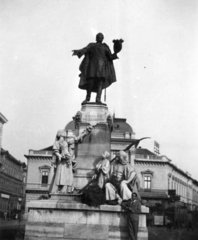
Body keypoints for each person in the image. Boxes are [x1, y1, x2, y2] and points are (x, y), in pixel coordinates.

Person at [72, 33, 118, 104]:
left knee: (100, 83)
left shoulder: (105, 47)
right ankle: (87, 98)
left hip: (102, 67)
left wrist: (116, 52)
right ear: (96, 38)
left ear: (102, 38)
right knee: (90, 82)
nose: (99, 38)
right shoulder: (92, 45)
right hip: (92, 66)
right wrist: (78, 51)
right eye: (98, 36)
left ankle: (98, 99)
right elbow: (85, 49)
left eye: (100, 37)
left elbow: (110, 57)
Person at [50, 125, 92, 194]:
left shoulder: (66, 142)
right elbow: (56, 151)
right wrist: (60, 156)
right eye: (62, 133)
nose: (64, 134)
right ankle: (59, 189)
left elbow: (76, 139)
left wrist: (85, 132)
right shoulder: (57, 142)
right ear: (59, 134)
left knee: (67, 175)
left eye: (64, 133)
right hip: (62, 161)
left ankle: (65, 190)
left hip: (67, 161)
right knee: (61, 174)